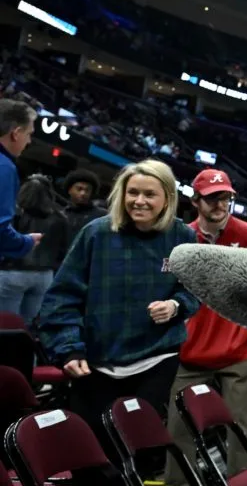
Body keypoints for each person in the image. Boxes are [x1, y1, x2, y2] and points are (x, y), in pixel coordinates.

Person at [37, 159, 199, 472]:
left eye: (150, 194)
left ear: (167, 197)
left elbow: (195, 290)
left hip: (156, 357)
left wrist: (177, 306)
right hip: (96, 361)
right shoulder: (96, 234)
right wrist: (68, 348)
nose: (139, 200)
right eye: (132, 192)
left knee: (138, 449)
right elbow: (62, 298)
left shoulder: (183, 238)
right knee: (93, 459)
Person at [164, 170, 247, 486]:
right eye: (212, 198)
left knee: (242, 427)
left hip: (239, 349)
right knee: (178, 429)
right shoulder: (179, 236)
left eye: (226, 197)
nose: (220, 204)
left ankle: (245, 482)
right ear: (195, 201)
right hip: (190, 349)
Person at [0, 175, 69, 323]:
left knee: (6, 323)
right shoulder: (60, 217)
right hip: (45, 276)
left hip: (12, 272)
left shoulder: (14, 213)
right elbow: (64, 250)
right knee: (29, 324)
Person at [0, 98, 42, 261]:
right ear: (16, 133)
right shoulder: (4, 167)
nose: (29, 141)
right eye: (29, 134)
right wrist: (26, 242)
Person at [63, 169, 106, 240]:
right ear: (69, 190)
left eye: (87, 190)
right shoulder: (61, 215)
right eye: (79, 189)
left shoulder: (102, 216)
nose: (83, 193)